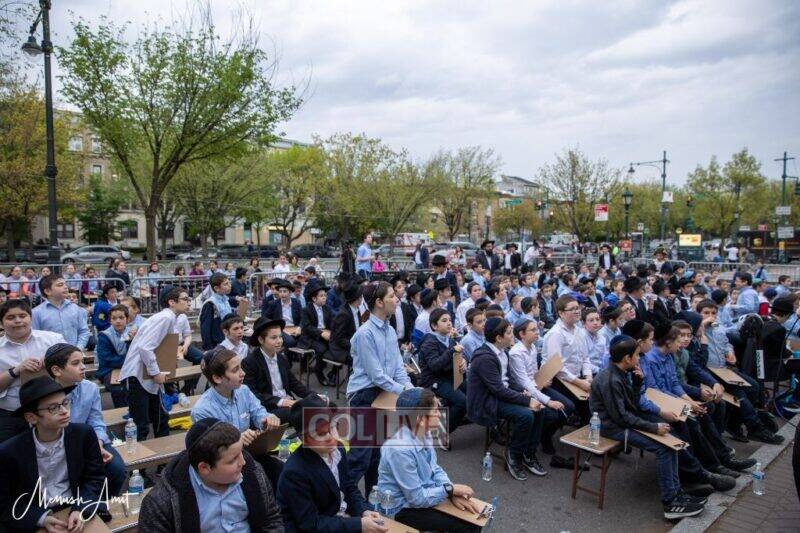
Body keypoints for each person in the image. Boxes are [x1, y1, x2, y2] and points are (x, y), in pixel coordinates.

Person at [590, 336, 707, 519]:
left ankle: (677, 493)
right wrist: (653, 427)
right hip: (612, 427)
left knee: (672, 442)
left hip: (623, 421)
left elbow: (632, 404)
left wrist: (637, 384)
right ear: (627, 358)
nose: (639, 359)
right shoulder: (610, 379)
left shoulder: (623, 372)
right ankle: (670, 503)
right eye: (637, 355)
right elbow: (622, 418)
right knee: (663, 448)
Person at [0, 376, 109, 530]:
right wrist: (40, 519)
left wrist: (81, 508)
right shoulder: (10, 451)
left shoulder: (83, 434)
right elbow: (5, 501)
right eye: (53, 408)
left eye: (65, 403)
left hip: (74, 505)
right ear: (31, 417)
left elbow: (95, 478)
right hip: (34, 512)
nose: (64, 411)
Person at [139, 417, 284, 532]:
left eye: (241, 452)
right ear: (204, 468)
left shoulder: (252, 472)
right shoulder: (161, 502)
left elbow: (271, 519)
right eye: (233, 460)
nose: (243, 462)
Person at [378, 387, 483, 532]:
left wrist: (451, 492)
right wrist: (449, 490)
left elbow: (434, 469)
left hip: (422, 495)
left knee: (473, 520)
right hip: (400, 509)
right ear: (421, 420)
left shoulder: (424, 432)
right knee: (468, 527)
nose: (440, 414)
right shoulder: (399, 450)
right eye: (435, 411)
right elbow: (417, 499)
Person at [277, 395, 386, 533]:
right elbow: (310, 524)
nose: (331, 437)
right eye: (321, 434)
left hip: (338, 518)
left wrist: (363, 510)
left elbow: (349, 487)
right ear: (304, 439)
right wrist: (358, 525)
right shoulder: (295, 472)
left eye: (333, 428)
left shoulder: (338, 448)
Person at [346, 281, 413, 495]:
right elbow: (377, 376)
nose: (397, 299)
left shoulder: (390, 330)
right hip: (363, 395)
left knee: (378, 455)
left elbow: (398, 369)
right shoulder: (364, 333)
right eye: (391, 296)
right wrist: (404, 392)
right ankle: (340, 500)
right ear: (379, 302)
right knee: (360, 457)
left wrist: (412, 390)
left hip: (383, 393)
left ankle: (371, 500)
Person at [190, 348, 284, 489]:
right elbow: (212, 450)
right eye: (235, 370)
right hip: (225, 465)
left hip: (249, 453)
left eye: (241, 367)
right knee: (258, 482)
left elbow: (259, 412)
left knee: (282, 471)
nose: (243, 373)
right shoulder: (202, 410)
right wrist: (238, 439)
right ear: (217, 378)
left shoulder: (243, 391)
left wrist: (268, 419)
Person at [467, 317, 546, 481]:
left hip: (499, 395)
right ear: (498, 338)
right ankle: (513, 453)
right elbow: (498, 390)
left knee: (539, 409)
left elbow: (509, 381)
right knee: (526, 415)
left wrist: (524, 392)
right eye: (509, 333)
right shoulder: (484, 357)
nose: (512, 336)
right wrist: (526, 400)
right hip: (487, 401)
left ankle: (528, 454)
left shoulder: (503, 352)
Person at [695, 299, 783, 444]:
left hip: (723, 369)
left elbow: (726, 343)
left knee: (753, 386)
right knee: (739, 394)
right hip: (708, 371)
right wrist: (702, 325)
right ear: (699, 314)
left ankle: (734, 423)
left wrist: (730, 353)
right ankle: (755, 427)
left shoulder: (718, 328)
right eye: (706, 313)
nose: (710, 316)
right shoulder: (695, 329)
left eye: (713, 313)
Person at [44, 343, 127, 496]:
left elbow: (96, 421)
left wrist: (98, 444)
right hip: (56, 445)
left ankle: (103, 502)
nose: (83, 367)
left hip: (87, 440)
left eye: (82, 362)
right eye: (75, 363)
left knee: (116, 469)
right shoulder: (44, 394)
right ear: (56, 370)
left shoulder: (90, 388)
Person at [119, 286, 189, 441]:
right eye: (185, 299)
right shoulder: (165, 318)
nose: (188, 302)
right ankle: (138, 457)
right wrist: (156, 372)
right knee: (141, 425)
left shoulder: (171, 318)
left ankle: (163, 456)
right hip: (137, 376)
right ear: (172, 302)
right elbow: (145, 348)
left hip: (148, 375)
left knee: (161, 420)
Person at [508, 317, 577, 469]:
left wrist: (542, 379)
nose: (537, 332)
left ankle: (544, 434)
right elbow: (524, 382)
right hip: (524, 391)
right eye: (533, 330)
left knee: (569, 406)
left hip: (536, 385)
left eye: (536, 329)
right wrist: (548, 401)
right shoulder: (516, 353)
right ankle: (535, 439)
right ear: (522, 334)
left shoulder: (532, 348)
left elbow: (533, 373)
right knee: (551, 413)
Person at [0, 299, 65, 443]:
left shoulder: (53, 340)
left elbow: (72, 366)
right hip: (9, 414)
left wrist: (51, 361)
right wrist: (16, 370)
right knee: (9, 453)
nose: (18, 321)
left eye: (22, 316)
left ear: (31, 318)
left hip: (50, 410)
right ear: (1, 323)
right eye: (10, 317)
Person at [242, 317, 325, 422]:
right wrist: (280, 401)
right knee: (307, 413)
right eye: (274, 338)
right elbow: (252, 393)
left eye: (280, 337)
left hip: (289, 402)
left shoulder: (281, 358)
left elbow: (294, 383)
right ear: (261, 340)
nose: (279, 341)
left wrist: (313, 395)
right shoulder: (250, 362)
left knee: (326, 404)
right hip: (270, 408)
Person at [541, 296, 592, 421]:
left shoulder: (579, 331)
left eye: (578, 308)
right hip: (559, 381)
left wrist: (588, 376)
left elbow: (585, 357)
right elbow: (557, 367)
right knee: (585, 406)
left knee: (596, 402)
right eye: (572, 309)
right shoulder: (556, 334)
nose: (577, 311)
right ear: (561, 313)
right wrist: (580, 383)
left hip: (576, 378)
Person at [418, 309, 468, 432]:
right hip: (434, 380)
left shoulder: (449, 339)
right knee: (462, 402)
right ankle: (442, 433)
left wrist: (464, 362)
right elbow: (435, 366)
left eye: (450, 320)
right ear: (434, 326)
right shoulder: (429, 342)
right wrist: (452, 351)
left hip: (450, 377)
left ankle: (453, 418)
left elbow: (458, 355)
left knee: (474, 390)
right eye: (444, 321)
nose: (449, 323)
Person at [32, 273, 91, 351]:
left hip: (74, 353)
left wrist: (78, 349)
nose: (65, 287)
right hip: (49, 355)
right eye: (60, 285)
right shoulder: (36, 313)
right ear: (48, 291)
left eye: (65, 284)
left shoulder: (76, 309)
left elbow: (83, 331)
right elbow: (35, 337)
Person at [95, 304, 131, 408]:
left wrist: (130, 341)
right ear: (110, 321)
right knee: (118, 388)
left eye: (121, 318)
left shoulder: (132, 333)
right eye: (114, 318)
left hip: (128, 368)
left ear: (127, 319)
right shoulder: (104, 336)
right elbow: (106, 359)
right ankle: (122, 412)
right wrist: (127, 361)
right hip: (109, 370)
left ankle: (136, 411)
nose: (118, 321)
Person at [299, 283, 334, 386]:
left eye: (325, 295)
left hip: (325, 334)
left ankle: (333, 373)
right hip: (311, 337)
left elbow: (331, 323)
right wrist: (321, 333)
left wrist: (333, 331)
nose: (324, 298)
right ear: (314, 299)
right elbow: (307, 327)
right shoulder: (306, 310)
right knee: (321, 349)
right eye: (321, 296)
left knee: (339, 346)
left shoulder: (327, 308)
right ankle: (319, 371)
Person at [200, 273, 241, 350]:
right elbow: (205, 328)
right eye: (226, 284)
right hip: (216, 343)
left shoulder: (225, 300)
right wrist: (208, 348)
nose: (230, 285)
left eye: (229, 283)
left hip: (227, 339)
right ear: (216, 288)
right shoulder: (210, 304)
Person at [262, 278, 303, 350]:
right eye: (280, 291)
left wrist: (299, 328)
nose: (282, 294)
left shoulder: (296, 302)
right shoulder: (273, 304)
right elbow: (265, 318)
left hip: (294, 328)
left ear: (290, 293)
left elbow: (303, 318)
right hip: (281, 329)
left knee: (305, 339)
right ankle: (288, 357)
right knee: (290, 341)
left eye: (285, 291)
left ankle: (299, 356)